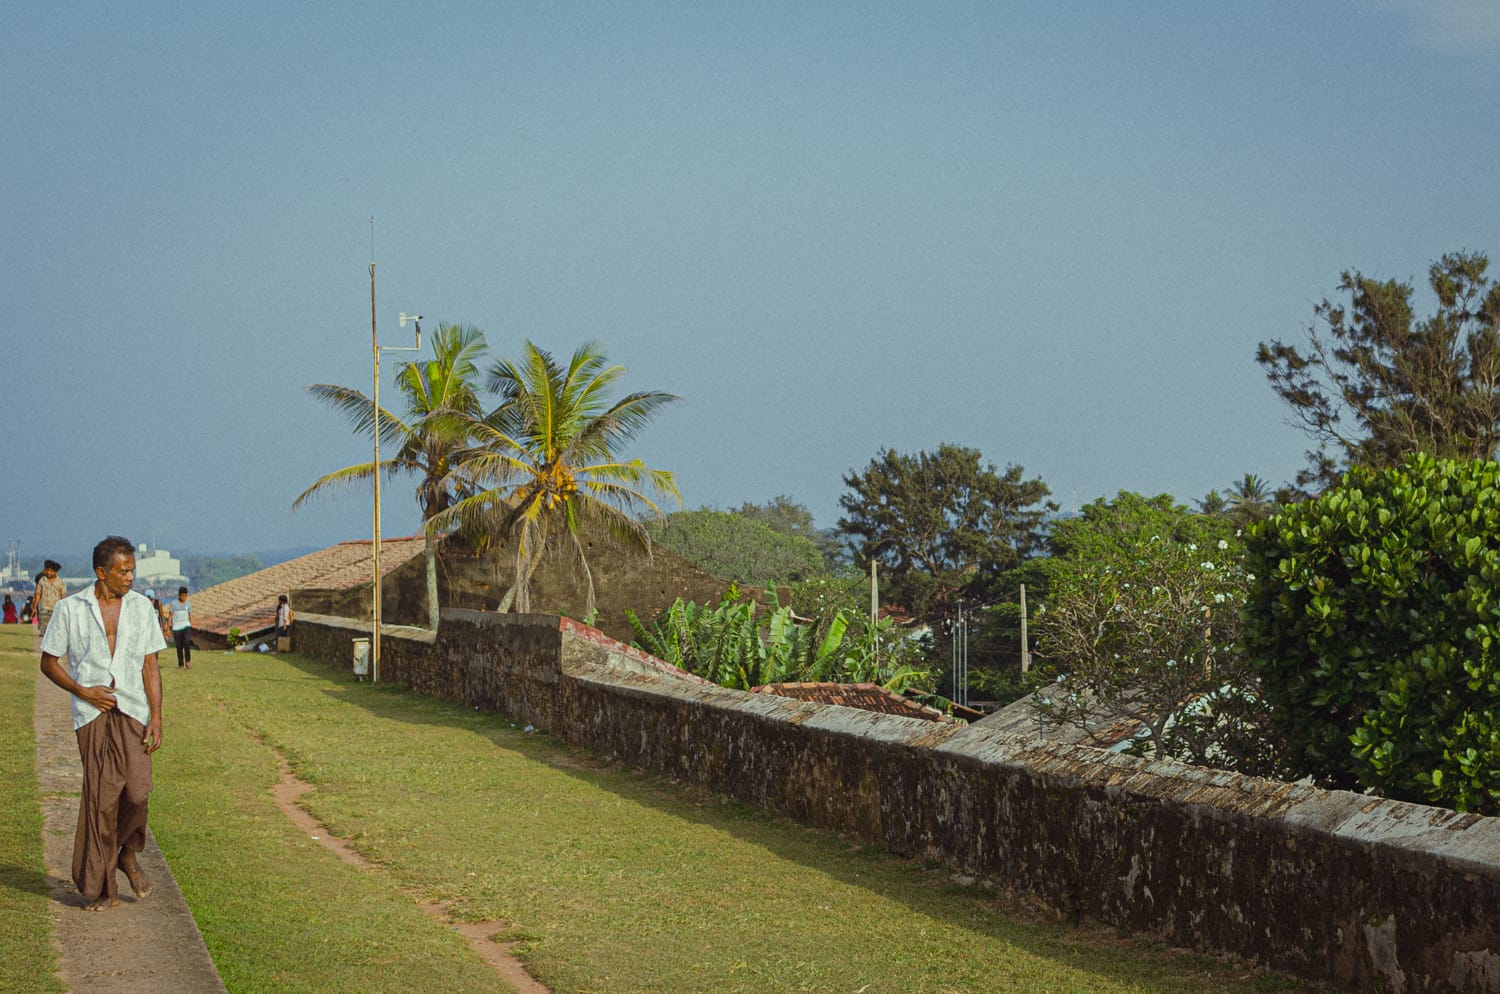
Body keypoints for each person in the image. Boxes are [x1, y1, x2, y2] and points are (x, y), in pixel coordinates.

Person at [39, 535, 166, 911]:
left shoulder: (142, 608)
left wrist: (157, 716)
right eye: (123, 571)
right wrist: (83, 690)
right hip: (91, 714)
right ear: (101, 572)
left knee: (138, 791)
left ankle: (127, 854)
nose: (130, 577)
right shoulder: (70, 609)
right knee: (102, 801)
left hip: (133, 711)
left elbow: (150, 665)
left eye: (132, 570)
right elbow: (48, 662)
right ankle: (104, 888)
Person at [35, 560, 67, 638]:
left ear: (56, 572)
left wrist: (64, 607)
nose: (49, 573)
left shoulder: (61, 582)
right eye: (48, 571)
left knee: (55, 627)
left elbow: (63, 595)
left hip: (56, 607)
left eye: (51, 571)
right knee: (43, 628)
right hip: (44, 607)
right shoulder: (42, 580)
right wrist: (35, 606)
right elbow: (38, 593)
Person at [168, 586, 193, 668]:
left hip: (186, 625)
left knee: (187, 642)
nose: (184, 597)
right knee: (179, 646)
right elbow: (170, 616)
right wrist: (168, 628)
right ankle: (181, 663)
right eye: (182, 595)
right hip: (177, 627)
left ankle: (188, 661)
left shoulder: (189, 604)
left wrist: (190, 625)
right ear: (179, 595)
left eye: (185, 595)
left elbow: (189, 615)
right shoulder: (174, 604)